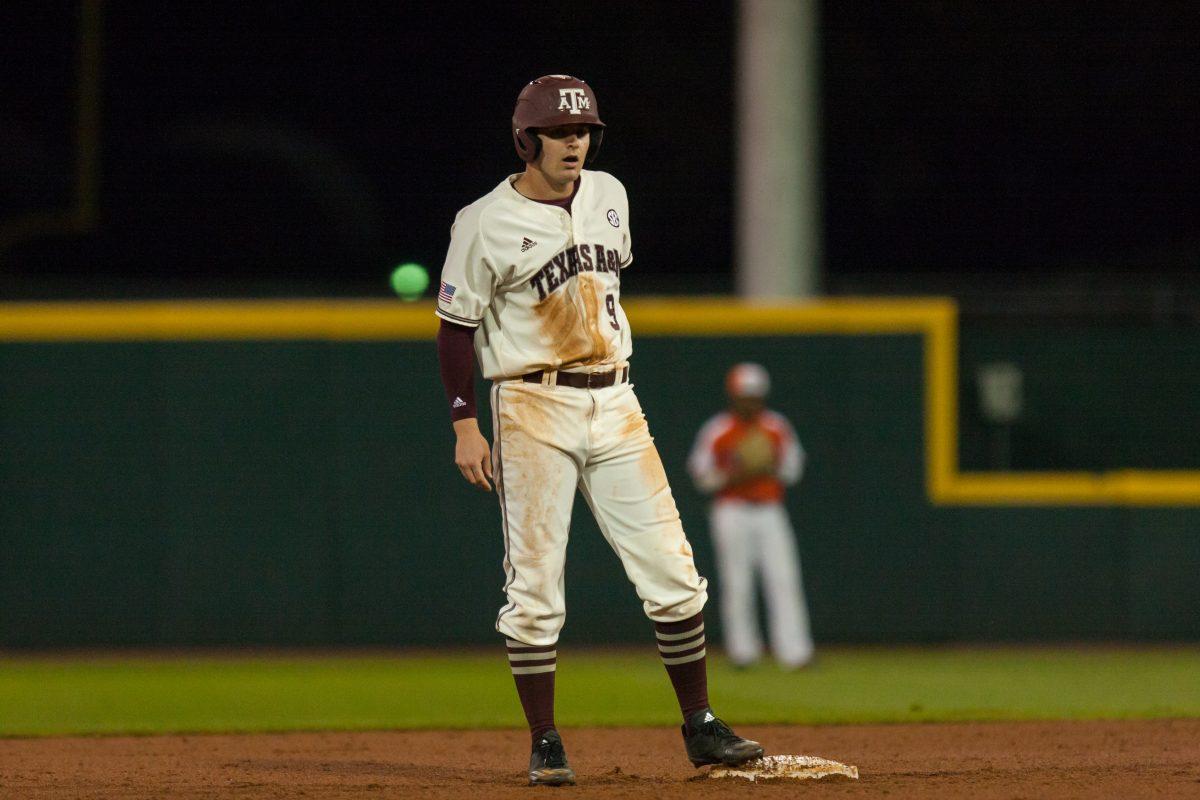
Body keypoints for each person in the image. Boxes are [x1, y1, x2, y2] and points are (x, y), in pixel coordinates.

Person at [434, 75, 764, 786]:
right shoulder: (484, 220)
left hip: (616, 398)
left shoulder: (610, 196)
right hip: (531, 403)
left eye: (583, 131)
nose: (574, 141)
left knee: (675, 573)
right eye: (558, 131)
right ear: (529, 140)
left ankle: (702, 726)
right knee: (535, 588)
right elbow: (456, 328)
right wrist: (465, 422)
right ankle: (545, 739)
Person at [687, 363, 815, 669]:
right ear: (734, 396)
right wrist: (734, 472)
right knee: (737, 582)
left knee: (784, 579)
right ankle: (743, 653)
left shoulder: (775, 426)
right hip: (731, 510)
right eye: (745, 395)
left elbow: (793, 468)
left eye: (755, 395)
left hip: (770, 510)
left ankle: (794, 653)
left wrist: (768, 464)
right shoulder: (718, 429)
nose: (751, 401)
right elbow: (700, 475)